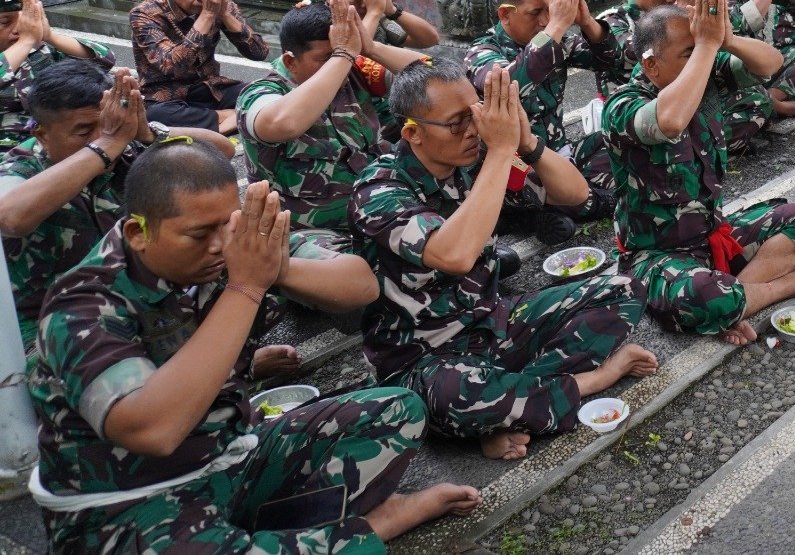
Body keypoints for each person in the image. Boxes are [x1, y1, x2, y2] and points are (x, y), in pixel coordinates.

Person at [29, 144, 477, 550]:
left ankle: (270, 530)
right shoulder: (82, 305)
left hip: (226, 459)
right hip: (129, 501)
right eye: (199, 234)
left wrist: (276, 269)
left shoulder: (236, 251)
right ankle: (370, 527)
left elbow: (360, 286)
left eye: (229, 224)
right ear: (137, 232)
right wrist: (245, 287)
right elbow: (152, 431)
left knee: (398, 410)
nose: (220, 246)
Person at [354, 61, 656, 462]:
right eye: (457, 122)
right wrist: (498, 150)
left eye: (477, 114)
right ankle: (588, 381)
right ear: (413, 133)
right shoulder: (379, 189)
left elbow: (575, 194)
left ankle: (509, 408)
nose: (473, 130)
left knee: (624, 290)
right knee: (453, 398)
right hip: (423, 358)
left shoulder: (475, 160)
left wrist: (526, 143)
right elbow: (454, 255)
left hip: (491, 324)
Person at [605, 0, 795, 347]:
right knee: (707, 296)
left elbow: (771, 64)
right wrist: (708, 47)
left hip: (712, 234)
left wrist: (726, 39)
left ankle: (739, 299)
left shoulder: (705, 74)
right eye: (688, 53)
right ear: (651, 65)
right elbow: (670, 121)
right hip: (657, 257)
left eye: (701, 49)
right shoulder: (622, 106)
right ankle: (774, 289)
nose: (701, 60)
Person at [0, 62, 230, 344]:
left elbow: (222, 151)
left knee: (251, 258)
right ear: (43, 136)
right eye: (84, 132)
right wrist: (108, 143)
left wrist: (146, 133)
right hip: (57, 323)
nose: (98, 137)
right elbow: (10, 216)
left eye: (106, 124)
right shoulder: (23, 168)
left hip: (137, 296)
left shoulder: (125, 143)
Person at [237, 0, 429, 253]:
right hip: (305, 234)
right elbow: (282, 124)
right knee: (360, 272)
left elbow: (435, 82)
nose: (341, 66)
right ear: (290, 62)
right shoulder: (263, 92)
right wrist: (342, 55)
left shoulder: (351, 70)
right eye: (325, 58)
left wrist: (370, 48)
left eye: (344, 55)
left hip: (376, 209)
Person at [466, 0, 623, 219]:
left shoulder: (552, 38)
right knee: (585, 202)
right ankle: (550, 210)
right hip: (517, 164)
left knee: (623, 144)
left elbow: (614, 62)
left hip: (559, 151)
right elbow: (508, 87)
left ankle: (561, 204)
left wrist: (586, 21)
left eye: (549, 10)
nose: (545, 20)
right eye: (535, 12)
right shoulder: (481, 52)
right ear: (505, 14)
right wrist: (558, 24)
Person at [597, 0, 773, 155]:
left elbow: (768, 60)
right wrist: (679, 13)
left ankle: (700, 148)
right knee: (675, 129)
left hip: (682, 86)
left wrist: (722, 36)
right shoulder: (614, 19)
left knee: (757, 97)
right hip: (638, 105)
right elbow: (630, 56)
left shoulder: (674, 13)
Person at [130, 0, 270, 133]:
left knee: (264, 93)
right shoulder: (144, 14)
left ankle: (211, 121)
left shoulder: (216, 0)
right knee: (155, 115)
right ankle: (226, 118)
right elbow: (172, 67)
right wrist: (208, 15)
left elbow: (260, 52)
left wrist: (224, 13)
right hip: (167, 97)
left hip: (210, 88)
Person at [0, 0, 114, 155]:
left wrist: (49, 35)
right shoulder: (26, 43)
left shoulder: (38, 51)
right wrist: (26, 41)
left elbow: (104, 60)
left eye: (24, 20)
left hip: (57, 140)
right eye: (5, 22)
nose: (18, 29)